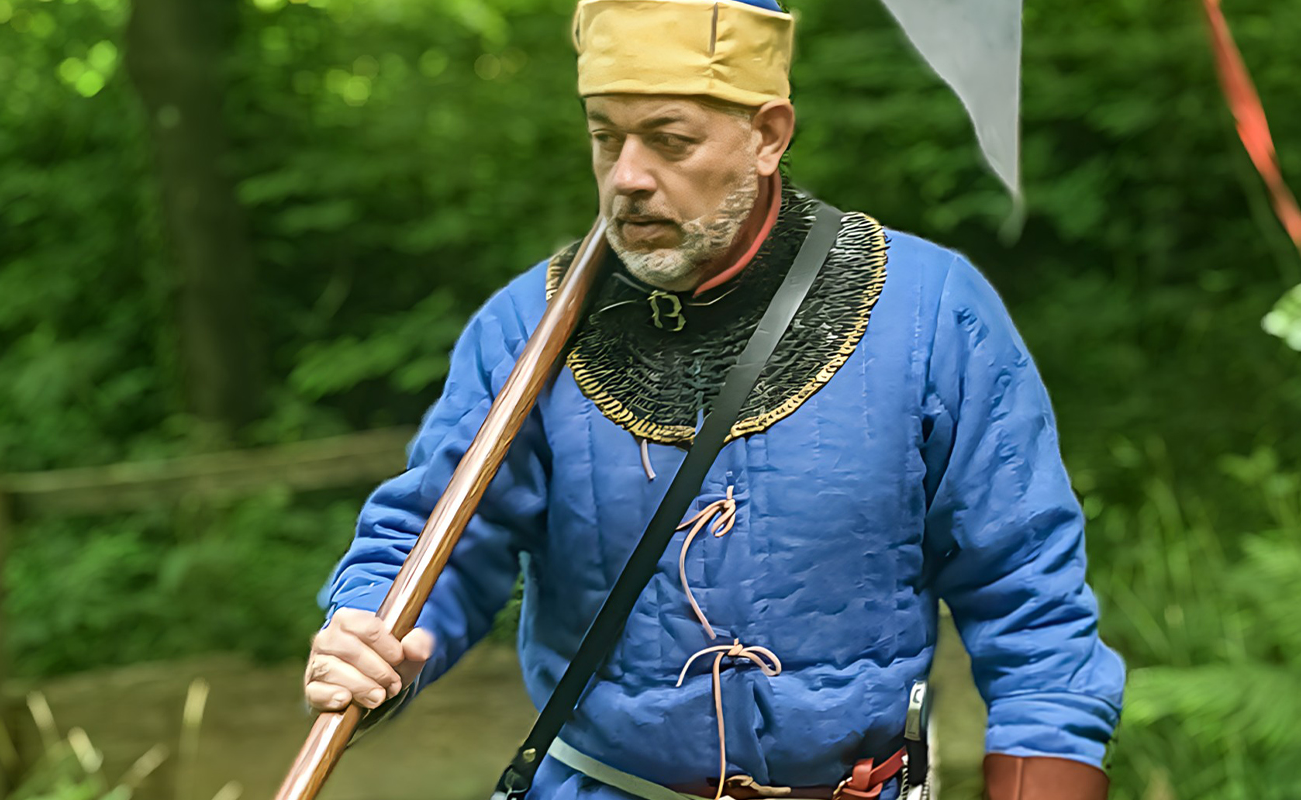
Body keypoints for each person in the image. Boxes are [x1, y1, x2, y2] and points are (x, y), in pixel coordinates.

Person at [304, 0, 1123, 796]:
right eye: (605, 137)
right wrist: (373, 636)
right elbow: (434, 544)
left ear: (767, 136)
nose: (627, 176)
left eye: (670, 139)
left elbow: (1032, 608)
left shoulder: (931, 312)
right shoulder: (522, 330)